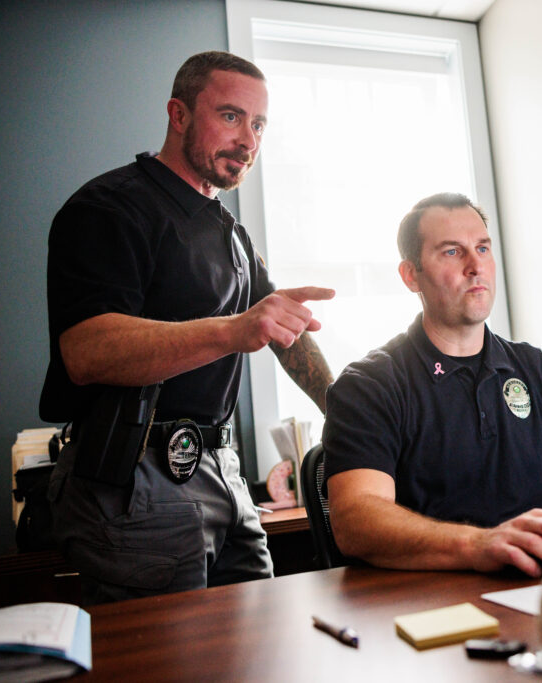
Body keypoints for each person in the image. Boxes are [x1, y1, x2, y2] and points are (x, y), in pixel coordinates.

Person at [40, 51, 334, 604]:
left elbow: (276, 325)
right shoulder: (109, 208)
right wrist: (231, 331)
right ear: (178, 114)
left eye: (259, 124)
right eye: (230, 117)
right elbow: (87, 351)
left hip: (225, 475)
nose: (248, 139)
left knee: (255, 653)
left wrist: (343, 408)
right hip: (136, 478)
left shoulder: (231, 233)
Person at [322, 192, 542, 578]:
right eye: (452, 252)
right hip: (421, 602)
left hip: (533, 591)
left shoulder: (541, 372)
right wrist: (478, 544)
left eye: (482, 248)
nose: (476, 266)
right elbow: (356, 521)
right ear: (411, 275)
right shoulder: (369, 385)